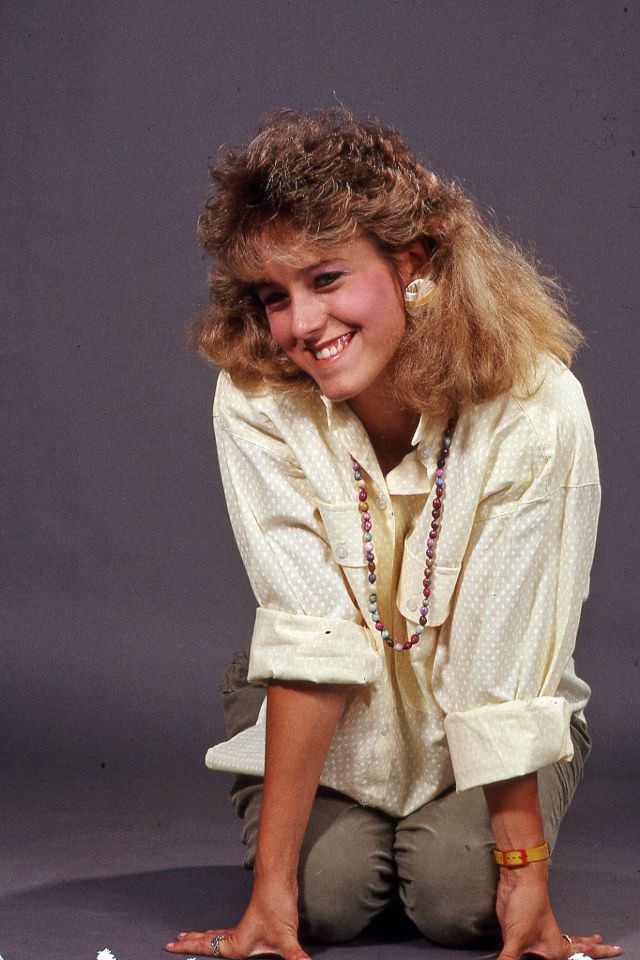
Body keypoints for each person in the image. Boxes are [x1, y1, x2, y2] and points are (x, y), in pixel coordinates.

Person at [166, 109, 622, 960]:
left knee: (459, 904)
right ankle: (313, 859)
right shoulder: (257, 398)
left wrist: (526, 882)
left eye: (327, 278)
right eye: (275, 295)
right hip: (330, 713)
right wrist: (270, 897)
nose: (302, 324)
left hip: (478, 712)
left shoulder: (535, 406)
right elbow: (310, 636)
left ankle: (452, 849)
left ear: (411, 264)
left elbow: (503, 658)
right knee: (323, 906)